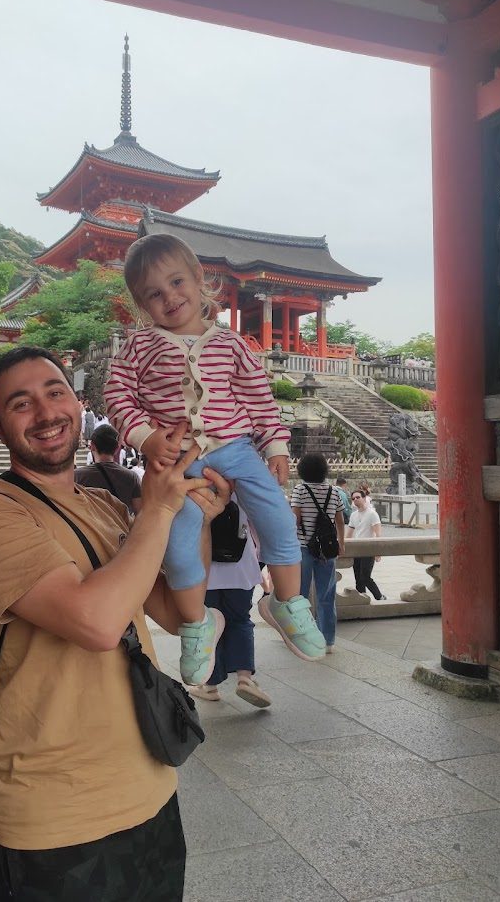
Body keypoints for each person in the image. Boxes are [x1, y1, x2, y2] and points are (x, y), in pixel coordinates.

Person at [0, 345, 230, 901]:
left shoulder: (104, 506)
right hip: (52, 811)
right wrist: (157, 510)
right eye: (21, 403)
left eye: (56, 393)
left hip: (148, 785)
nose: (47, 412)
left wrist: (190, 514)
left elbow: (178, 612)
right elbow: (96, 623)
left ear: (78, 403)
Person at [105, 231, 326, 685]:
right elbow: (117, 396)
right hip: (174, 465)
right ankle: (196, 624)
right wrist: (146, 437)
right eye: (154, 293)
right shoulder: (138, 348)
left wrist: (276, 444)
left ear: (199, 279)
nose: (170, 297)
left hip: (238, 450)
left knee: (280, 520)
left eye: (177, 282)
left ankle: (286, 603)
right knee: (180, 549)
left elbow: (259, 397)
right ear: (141, 305)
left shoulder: (232, 344)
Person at [189, 500, 271, 707]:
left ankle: (210, 685)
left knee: (210, 626)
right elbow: (262, 528)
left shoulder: (195, 487)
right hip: (240, 569)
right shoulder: (244, 487)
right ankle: (245, 678)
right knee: (240, 620)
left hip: (203, 571)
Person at [292, 454, 346, 653]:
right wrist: (342, 542)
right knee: (326, 595)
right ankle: (328, 640)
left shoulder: (300, 490)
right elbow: (340, 520)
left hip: (304, 547)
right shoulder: (334, 491)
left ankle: (302, 637)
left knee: (300, 596)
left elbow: (295, 520)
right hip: (328, 550)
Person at [74, 424, 143, 515]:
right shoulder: (131, 477)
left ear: (92, 446)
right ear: (117, 448)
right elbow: (140, 513)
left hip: (90, 528)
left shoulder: (77, 477)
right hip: (122, 528)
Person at [347, 488, 386, 601]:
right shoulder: (354, 515)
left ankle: (379, 596)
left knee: (365, 576)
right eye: (353, 498)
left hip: (369, 548)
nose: (355, 500)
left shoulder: (372, 514)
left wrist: (378, 552)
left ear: (364, 498)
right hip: (356, 549)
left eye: (358, 497)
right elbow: (349, 534)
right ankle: (361, 598)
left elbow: (378, 534)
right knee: (358, 578)